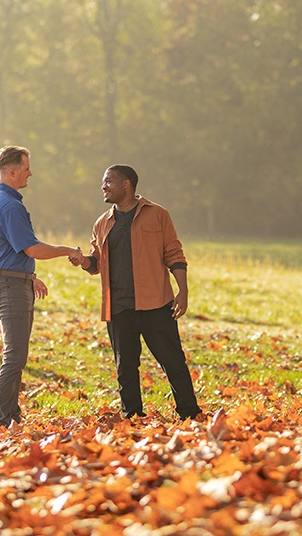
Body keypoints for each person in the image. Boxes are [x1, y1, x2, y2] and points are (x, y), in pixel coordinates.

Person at [70, 164, 202, 421]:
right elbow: (96, 262)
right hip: (118, 308)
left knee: (173, 363)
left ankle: (190, 414)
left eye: (108, 181)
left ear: (126, 184)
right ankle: (131, 418)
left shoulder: (158, 215)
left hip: (156, 304)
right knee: (126, 368)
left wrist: (182, 291)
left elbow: (174, 254)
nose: (103, 186)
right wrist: (82, 261)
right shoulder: (102, 223)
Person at [0, 145, 83, 431]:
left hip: (13, 279)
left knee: (18, 355)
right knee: (14, 356)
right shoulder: (9, 206)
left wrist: (28, 276)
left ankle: (11, 417)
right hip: (9, 284)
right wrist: (68, 251)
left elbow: (8, 249)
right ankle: (1, 421)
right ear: (12, 172)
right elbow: (32, 248)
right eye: (26, 169)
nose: (30, 173)